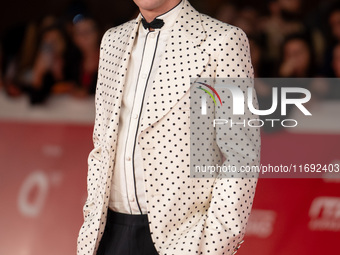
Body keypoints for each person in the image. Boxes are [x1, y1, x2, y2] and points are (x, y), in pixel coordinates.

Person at [77, 0, 261, 254]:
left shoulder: (223, 40)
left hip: (183, 240)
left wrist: (215, 243)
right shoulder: (112, 40)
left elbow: (241, 154)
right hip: (108, 234)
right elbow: (102, 144)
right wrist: (90, 224)